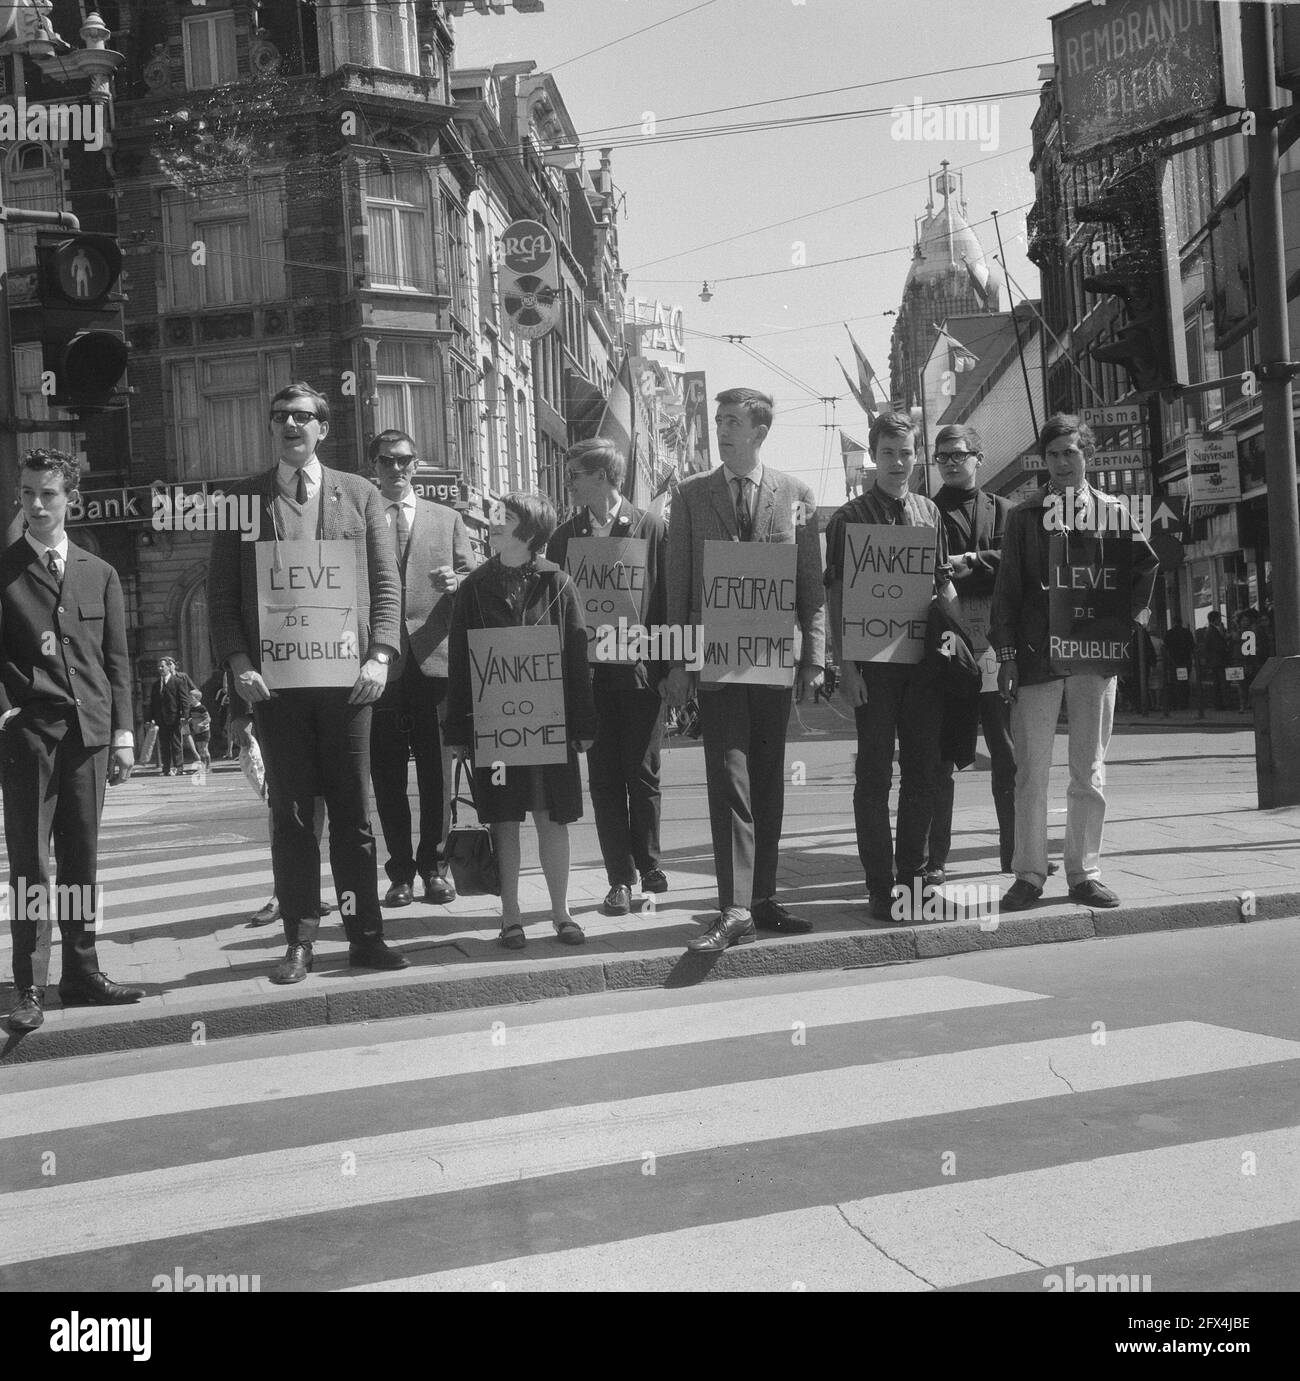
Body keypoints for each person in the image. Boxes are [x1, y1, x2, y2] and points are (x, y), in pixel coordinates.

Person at [208, 382, 404, 985]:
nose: (290, 425)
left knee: (354, 813)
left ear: (323, 428)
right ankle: (299, 940)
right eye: (280, 417)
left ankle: (365, 935)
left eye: (302, 417)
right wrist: (239, 662)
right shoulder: (241, 501)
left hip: (349, 683)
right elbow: (221, 598)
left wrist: (380, 655)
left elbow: (385, 582)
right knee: (292, 815)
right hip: (277, 686)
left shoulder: (362, 494)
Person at [665, 388, 825, 951]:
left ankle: (761, 899)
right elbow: (679, 584)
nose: (722, 430)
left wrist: (814, 658)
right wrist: (679, 662)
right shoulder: (688, 497)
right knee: (729, 775)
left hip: (774, 657)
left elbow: (811, 588)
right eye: (718, 421)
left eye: (733, 422)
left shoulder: (796, 495)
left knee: (767, 780)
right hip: (715, 660)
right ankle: (734, 907)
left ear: (760, 432)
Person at [990, 414, 1159, 911]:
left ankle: (1084, 873)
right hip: (1037, 657)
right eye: (1054, 454)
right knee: (1030, 772)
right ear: (1044, 461)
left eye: (1071, 452)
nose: (1063, 462)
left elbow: (1145, 567)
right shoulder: (1023, 517)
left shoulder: (1114, 512)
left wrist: (1123, 625)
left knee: (1089, 769)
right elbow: (1007, 592)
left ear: (1088, 456)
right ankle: (1028, 874)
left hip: (1094, 658)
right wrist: (1006, 655)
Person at [0, 449, 144, 1032]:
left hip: (88, 739)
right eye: (28, 494)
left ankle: (81, 973)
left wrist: (125, 734)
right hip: (30, 739)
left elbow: (116, 661)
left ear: (70, 500)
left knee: (81, 860)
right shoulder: (4, 571)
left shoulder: (98, 571)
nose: (36, 505)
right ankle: (29, 985)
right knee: (31, 865)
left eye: (48, 494)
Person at [444, 492, 596, 949]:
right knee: (504, 820)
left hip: (551, 725)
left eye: (503, 519)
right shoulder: (473, 587)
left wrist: (584, 725)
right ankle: (510, 917)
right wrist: (457, 731)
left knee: (553, 818)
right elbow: (458, 661)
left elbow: (577, 655)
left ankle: (562, 914)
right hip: (496, 726)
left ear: (529, 532)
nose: (491, 524)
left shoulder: (559, 584)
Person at [824, 413, 956, 922]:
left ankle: (913, 879)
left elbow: (941, 583)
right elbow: (836, 596)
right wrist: (846, 667)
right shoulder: (848, 519)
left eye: (906, 453)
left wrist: (959, 627)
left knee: (924, 771)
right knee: (874, 774)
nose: (898, 463)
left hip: (922, 664)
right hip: (873, 667)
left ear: (915, 455)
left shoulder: (929, 513)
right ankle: (880, 886)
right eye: (888, 453)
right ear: (872, 457)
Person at [547, 437, 669, 916]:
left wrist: (669, 669)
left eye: (575, 474)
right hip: (590, 677)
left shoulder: (650, 527)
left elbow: (663, 600)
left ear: (601, 477)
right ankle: (620, 877)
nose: (569, 482)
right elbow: (553, 606)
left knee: (643, 772)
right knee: (602, 779)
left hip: (639, 674)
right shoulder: (564, 535)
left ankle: (650, 862)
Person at [367, 429, 475, 908]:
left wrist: (458, 580)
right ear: (374, 465)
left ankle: (435, 867)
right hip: (381, 663)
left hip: (434, 659)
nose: (396, 469)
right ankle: (400, 874)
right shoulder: (360, 516)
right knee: (386, 773)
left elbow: (475, 576)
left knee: (438, 773)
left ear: (416, 464)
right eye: (387, 461)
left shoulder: (446, 518)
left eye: (404, 460)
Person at [923, 423, 1016, 881]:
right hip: (946, 651)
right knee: (941, 759)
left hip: (998, 647)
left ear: (979, 457)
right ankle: (934, 861)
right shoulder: (924, 513)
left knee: (1008, 755)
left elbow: (1014, 565)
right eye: (942, 457)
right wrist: (986, 563)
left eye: (959, 455)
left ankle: (1017, 855)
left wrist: (966, 564)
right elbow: (927, 577)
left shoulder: (1004, 509)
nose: (951, 463)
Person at [148, 656, 196, 775]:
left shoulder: (178, 682)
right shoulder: (155, 685)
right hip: (161, 719)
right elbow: (152, 703)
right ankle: (166, 768)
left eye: (162, 666)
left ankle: (178, 768)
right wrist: (150, 718)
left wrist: (185, 715)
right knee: (164, 745)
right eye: (158, 666)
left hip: (175, 718)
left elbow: (184, 700)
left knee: (176, 743)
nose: (160, 668)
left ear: (169, 667)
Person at [1199, 610, 1230, 710]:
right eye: (1219, 618)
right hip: (1218, 661)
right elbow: (1218, 646)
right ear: (1215, 619)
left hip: (1215, 661)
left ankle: (1219, 704)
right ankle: (1221, 704)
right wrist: (1226, 645)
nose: (1220, 620)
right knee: (1221, 683)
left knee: (1218, 683)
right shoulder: (1212, 631)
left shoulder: (1211, 630)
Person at [1164, 616, 1195, 710]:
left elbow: (1166, 647)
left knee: (1175, 682)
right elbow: (1192, 646)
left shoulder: (1169, 633)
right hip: (1185, 661)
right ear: (1181, 622)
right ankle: (1184, 702)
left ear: (1173, 622)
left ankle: (1176, 703)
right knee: (1184, 682)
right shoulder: (1187, 632)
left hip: (1174, 661)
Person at [187, 690, 212, 771]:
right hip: (197, 731)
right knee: (200, 750)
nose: (189, 699)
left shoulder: (202, 708)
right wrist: (189, 720)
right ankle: (203, 765)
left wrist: (202, 724)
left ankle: (208, 766)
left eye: (191, 697)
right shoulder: (192, 708)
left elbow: (208, 718)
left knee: (204, 749)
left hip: (204, 731)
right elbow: (192, 717)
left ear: (197, 698)